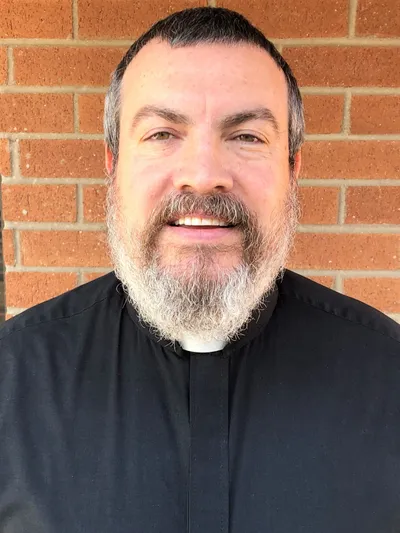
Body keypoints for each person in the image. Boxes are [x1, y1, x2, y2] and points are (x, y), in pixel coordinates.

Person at [0, 7, 399, 533]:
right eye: (163, 133)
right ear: (112, 164)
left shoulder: (386, 378)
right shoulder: (14, 379)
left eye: (248, 137)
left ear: (292, 169)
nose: (204, 176)